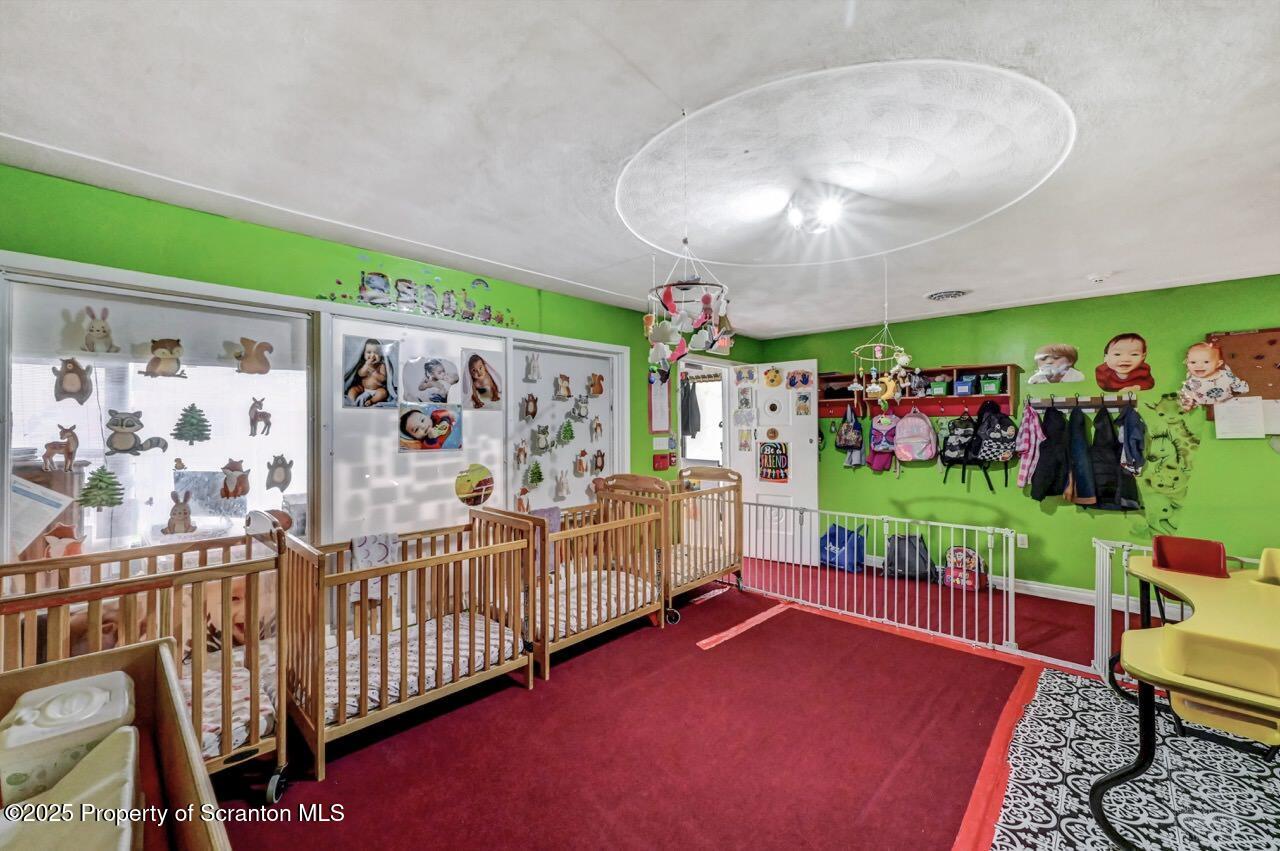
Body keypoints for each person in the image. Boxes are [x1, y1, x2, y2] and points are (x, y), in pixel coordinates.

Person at [1178, 341, 1249, 410]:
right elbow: (1186, 392)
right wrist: (1186, 403)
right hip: (1205, 407)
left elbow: (1237, 384)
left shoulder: (1226, 375)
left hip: (1227, 404)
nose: (1199, 366)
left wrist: (1243, 389)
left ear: (1218, 364)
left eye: (1206, 362)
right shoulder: (1192, 380)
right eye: (1193, 362)